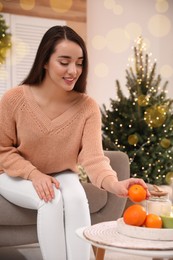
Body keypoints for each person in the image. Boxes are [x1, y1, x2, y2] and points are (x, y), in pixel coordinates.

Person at [0, 25, 150, 260]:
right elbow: (3, 150)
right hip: (14, 175)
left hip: (61, 173)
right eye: (64, 61)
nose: (74, 70)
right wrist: (33, 174)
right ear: (45, 61)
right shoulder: (14, 99)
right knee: (50, 199)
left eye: (79, 62)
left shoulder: (87, 106)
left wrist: (115, 184)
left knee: (77, 197)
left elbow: (93, 158)